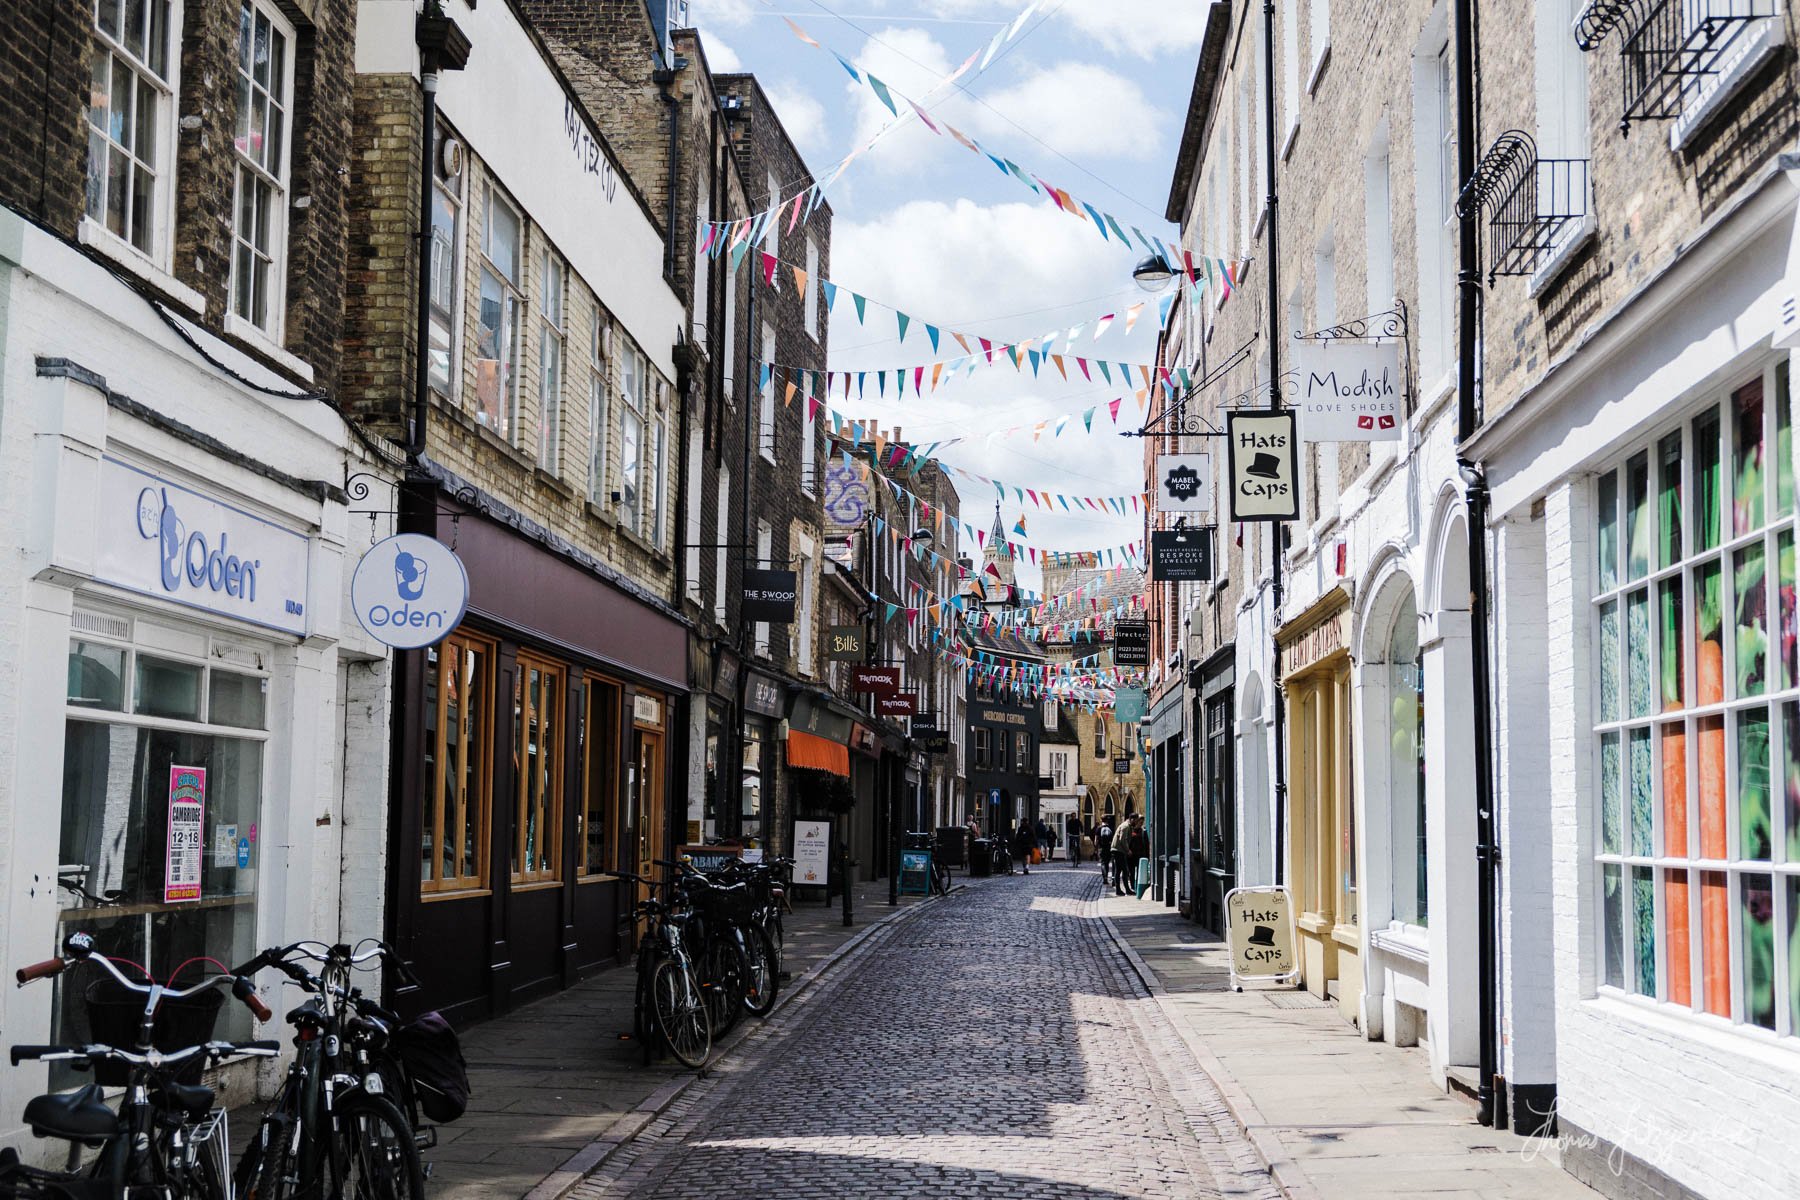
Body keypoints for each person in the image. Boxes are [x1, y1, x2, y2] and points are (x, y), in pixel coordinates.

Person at [1096, 819, 1115, 884]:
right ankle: (1107, 876)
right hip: (1108, 848)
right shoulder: (1111, 828)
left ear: (1101, 820)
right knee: (1107, 863)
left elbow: (1096, 840)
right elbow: (1113, 839)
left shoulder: (1099, 828)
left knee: (1103, 863)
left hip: (1101, 848)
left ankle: (1105, 878)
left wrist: (1096, 847)